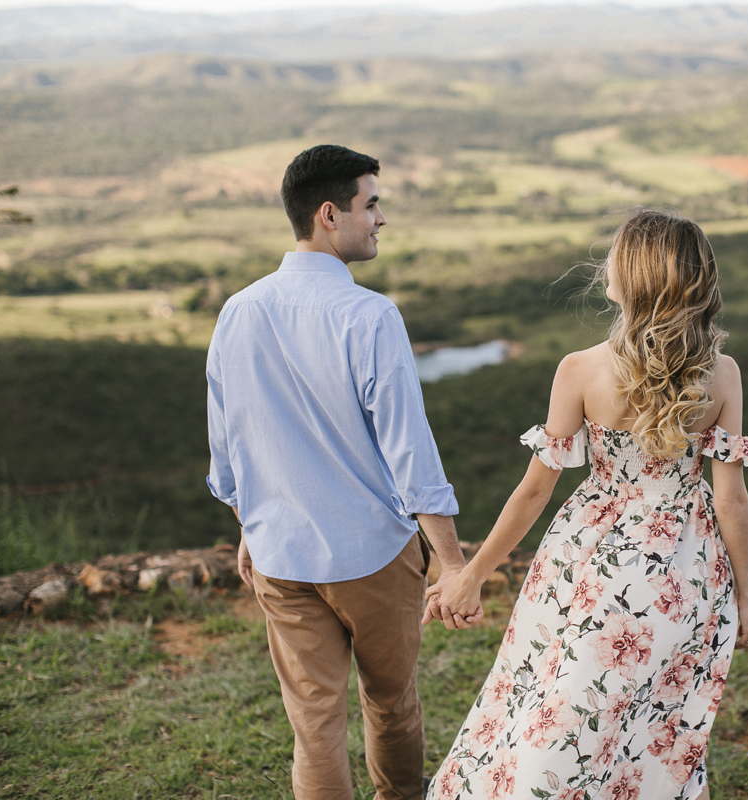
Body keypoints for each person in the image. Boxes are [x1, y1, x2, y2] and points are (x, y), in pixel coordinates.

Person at [424, 209, 748, 800]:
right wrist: (746, 598)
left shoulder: (579, 370)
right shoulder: (722, 374)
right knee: (657, 726)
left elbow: (534, 491)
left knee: (556, 715)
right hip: (686, 570)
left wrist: (473, 575)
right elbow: (730, 499)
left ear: (628, 278)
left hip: (591, 563)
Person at [206, 144, 481, 800]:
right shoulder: (370, 317)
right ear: (330, 214)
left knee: (314, 722)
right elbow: (411, 453)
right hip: (371, 558)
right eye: (371, 204)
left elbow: (228, 448)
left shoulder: (238, 311)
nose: (380, 219)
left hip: (280, 556)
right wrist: (451, 562)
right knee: (391, 705)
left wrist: (253, 525)